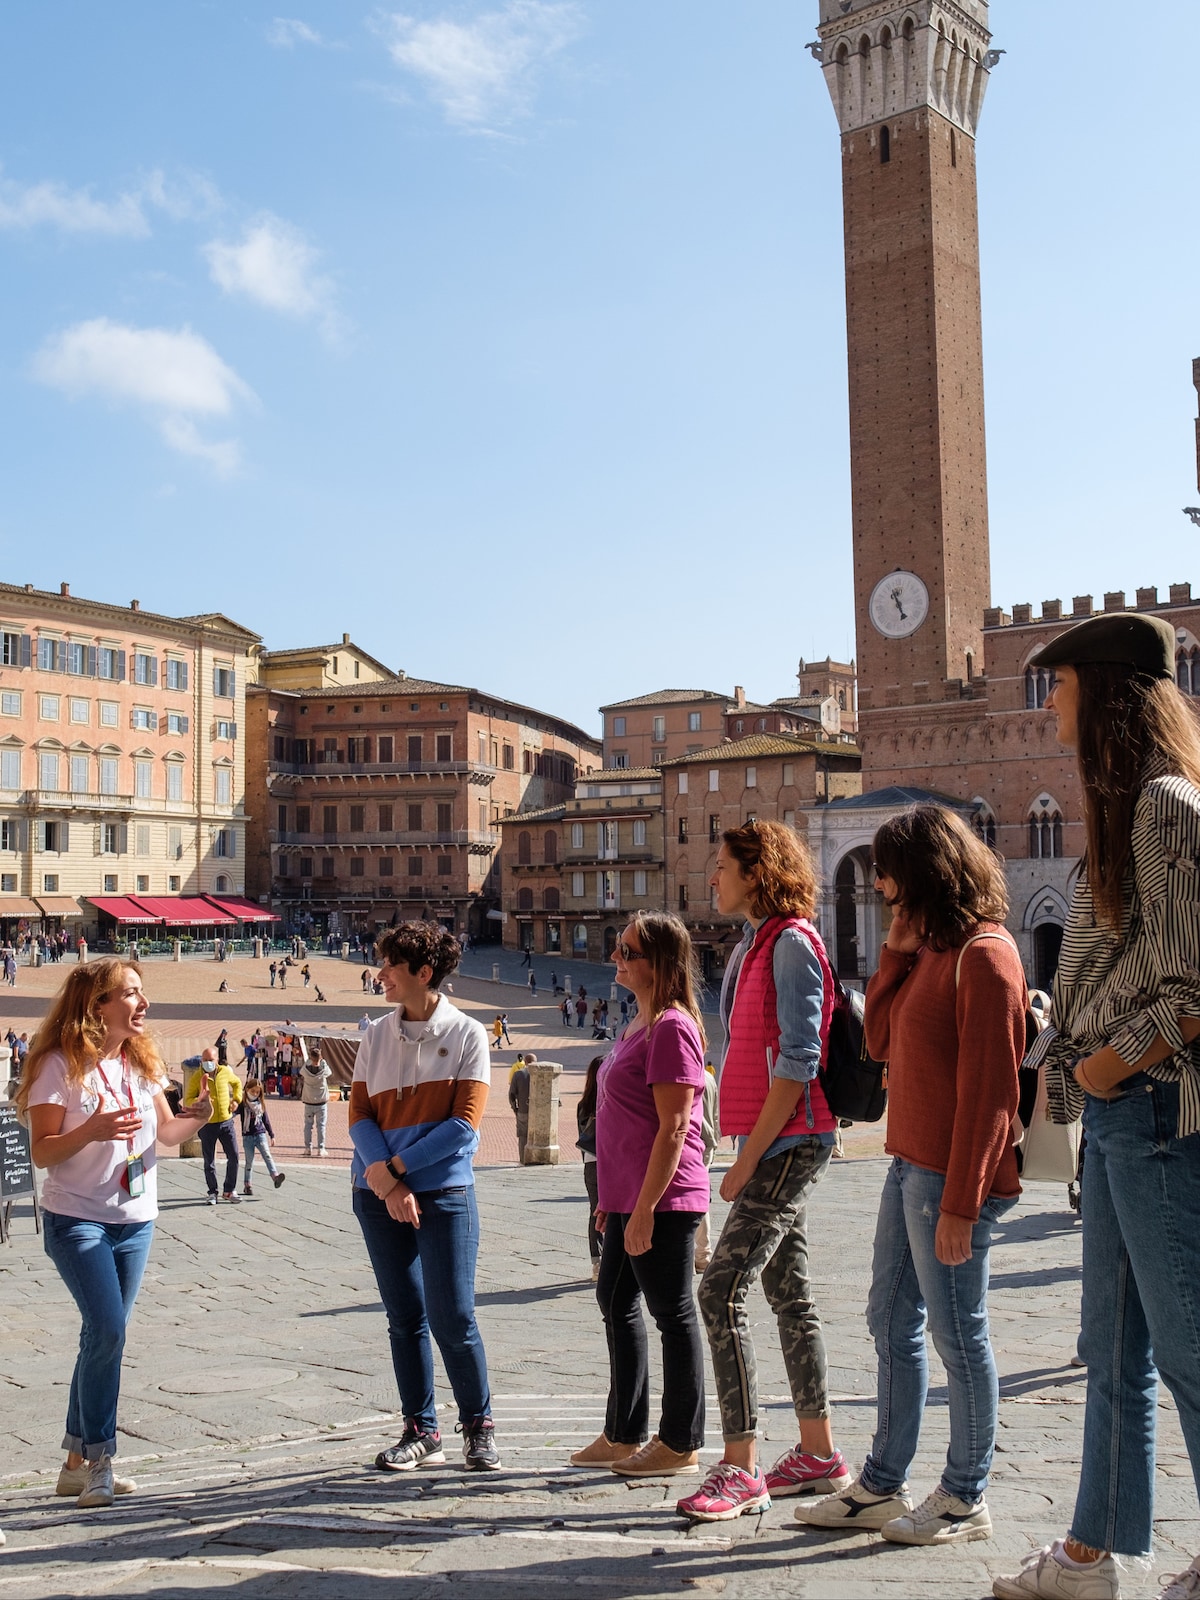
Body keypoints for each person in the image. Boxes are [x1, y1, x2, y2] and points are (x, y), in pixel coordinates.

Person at [993, 613, 1200, 1600]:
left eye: (1062, 685)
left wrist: (1113, 1066)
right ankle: (1091, 1556)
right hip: (1123, 1121)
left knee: (1191, 1348)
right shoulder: (1125, 817)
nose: (1051, 703)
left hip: (1154, 1115)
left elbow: (1194, 986)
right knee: (1110, 1350)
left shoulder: (1164, 805)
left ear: (1107, 693)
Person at [796, 805, 1026, 1548]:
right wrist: (894, 954)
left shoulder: (987, 956)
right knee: (890, 1322)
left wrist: (962, 1203)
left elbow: (993, 1094)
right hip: (910, 1168)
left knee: (960, 1338)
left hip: (951, 1180)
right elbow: (881, 1039)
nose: (882, 887)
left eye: (889, 875)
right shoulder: (930, 951)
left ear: (924, 872)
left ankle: (965, 1495)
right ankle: (881, 1485)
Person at [681, 822, 851, 1524]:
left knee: (719, 1290)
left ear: (758, 871)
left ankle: (741, 1465)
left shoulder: (790, 943)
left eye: (722, 867)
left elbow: (798, 1062)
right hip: (772, 1139)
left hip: (792, 1142)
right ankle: (818, 1452)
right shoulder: (754, 943)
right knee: (790, 1294)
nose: (712, 878)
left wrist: (742, 1163)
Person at [17, 959, 213, 1508]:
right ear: (96, 1005)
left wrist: (197, 1114)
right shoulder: (58, 1066)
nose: (142, 1002)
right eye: (130, 993)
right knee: (107, 1330)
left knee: (102, 1336)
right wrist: (93, 1129)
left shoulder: (139, 1062)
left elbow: (168, 1133)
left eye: (141, 991)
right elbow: (42, 1151)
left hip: (135, 1221)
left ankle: (74, 1464)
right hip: (77, 1217)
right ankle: (103, 1458)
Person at [349, 922, 501, 1472]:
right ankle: (421, 1429)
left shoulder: (467, 1035)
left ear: (423, 973)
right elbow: (359, 1115)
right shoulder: (374, 1035)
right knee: (404, 1316)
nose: (380, 973)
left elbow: (465, 1127)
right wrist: (387, 1184)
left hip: (444, 1192)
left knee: (453, 1315)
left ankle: (478, 1425)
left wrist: (396, 1170)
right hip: (377, 1193)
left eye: (390, 965)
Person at [571, 913, 709, 1478]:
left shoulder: (672, 1028)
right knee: (615, 1301)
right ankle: (623, 1432)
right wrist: (612, 1196)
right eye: (617, 948)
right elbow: (622, 1121)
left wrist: (647, 1206)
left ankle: (680, 1442)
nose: (616, 958)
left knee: (672, 1313)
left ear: (659, 963)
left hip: (667, 1197)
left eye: (626, 950)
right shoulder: (638, 1023)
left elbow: (675, 1127)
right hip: (629, 1193)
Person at [184, 1047, 244, 1206]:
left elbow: (237, 1084)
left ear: (217, 1060)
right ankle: (212, 1192)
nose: (207, 1063)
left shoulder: (225, 1072)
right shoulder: (198, 1076)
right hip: (207, 1124)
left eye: (210, 1060)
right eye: (204, 1060)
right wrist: (198, 1102)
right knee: (209, 1160)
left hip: (226, 1121)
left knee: (234, 1156)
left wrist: (236, 1100)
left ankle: (229, 1190)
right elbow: (188, 1098)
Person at [577, 1056, 603, 1281]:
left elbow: (582, 1138)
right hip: (610, 1162)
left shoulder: (583, 1104)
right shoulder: (612, 1099)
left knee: (594, 1211)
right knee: (614, 1211)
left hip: (590, 1163)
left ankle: (597, 1262)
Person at [693, 1061, 720, 1274]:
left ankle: (702, 1253)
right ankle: (703, 1253)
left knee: (695, 1199)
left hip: (696, 1140)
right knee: (702, 1198)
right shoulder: (709, 1077)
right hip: (709, 1142)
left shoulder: (691, 1075)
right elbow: (716, 1112)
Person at [239, 1079, 286, 1194]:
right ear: (247, 1090)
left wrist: (272, 1135)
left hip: (260, 1134)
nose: (255, 1094)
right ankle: (247, 1185)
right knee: (249, 1161)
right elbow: (233, 1113)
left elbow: (266, 1120)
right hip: (248, 1136)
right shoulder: (243, 1104)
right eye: (253, 1091)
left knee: (267, 1155)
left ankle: (275, 1176)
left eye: (257, 1092)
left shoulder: (260, 1105)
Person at [300, 1051, 332, 1156]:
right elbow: (329, 1072)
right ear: (320, 1057)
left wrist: (310, 1060)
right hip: (321, 1103)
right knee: (321, 1126)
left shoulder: (305, 1070)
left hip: (309, 1102)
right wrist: (323, 1061)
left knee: (308, 1126)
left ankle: (307, 1148)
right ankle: (321, 1148)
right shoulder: (324, 1070)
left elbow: (303, 1069)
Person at [508, 1054, 530, 1163]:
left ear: (525, 1062)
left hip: (523, 1110)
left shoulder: (518, 1074)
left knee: (523, 1137)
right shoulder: (542, 1074)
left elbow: (511, 1094)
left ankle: (523, 1159)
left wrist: (515, 1109)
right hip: (541, 1113)